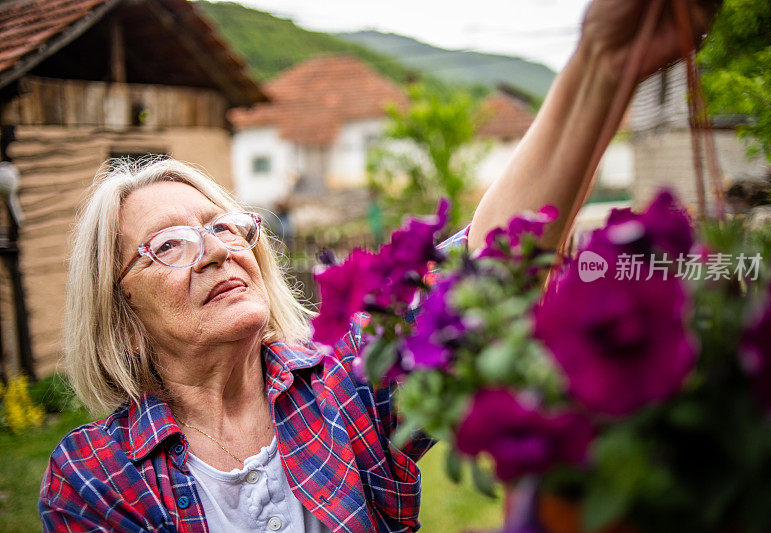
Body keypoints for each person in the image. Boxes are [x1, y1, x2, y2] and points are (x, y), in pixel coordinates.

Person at [38, 1, 718, 531]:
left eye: (222, 225)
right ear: (123, 319)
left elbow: (485, 271)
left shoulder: (341, 384)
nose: (218, 247)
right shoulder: (95, 477)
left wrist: (604, 58)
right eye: (170, 243)